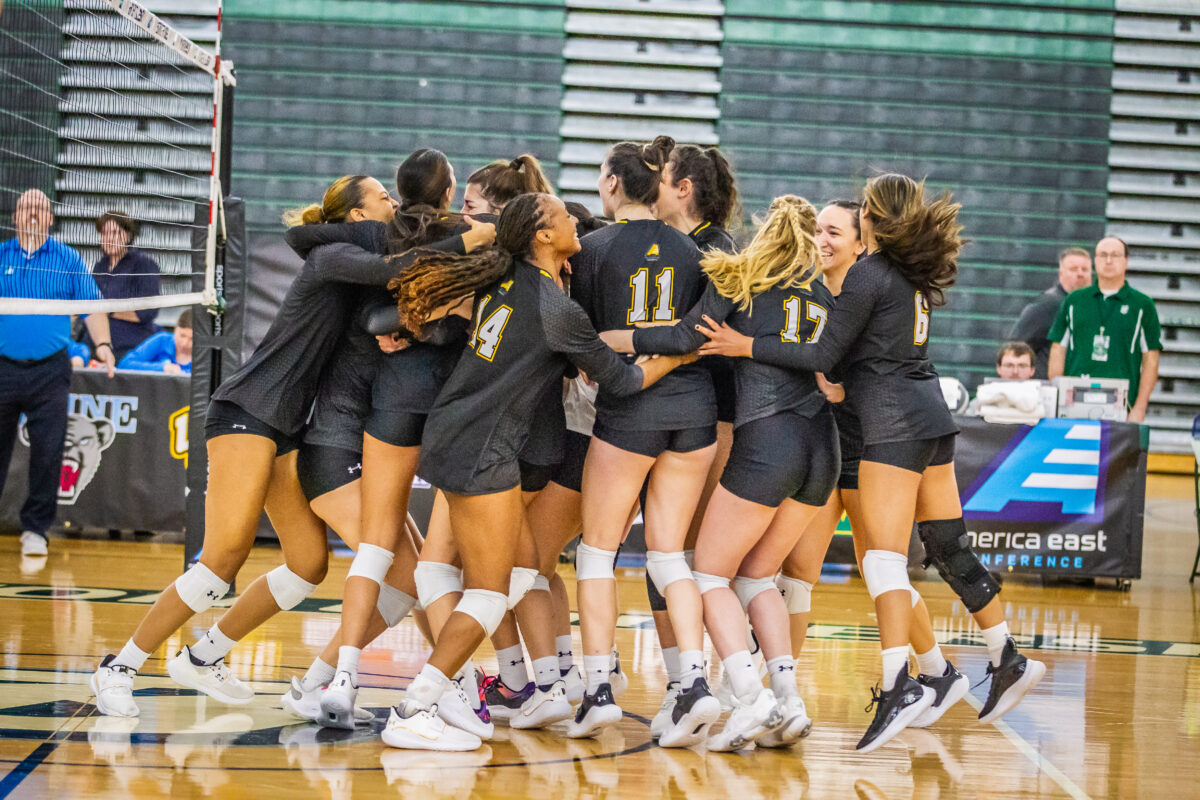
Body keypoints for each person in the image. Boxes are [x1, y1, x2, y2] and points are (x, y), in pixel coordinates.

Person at [699, 173, 1045, 752]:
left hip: (879, 433)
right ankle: (983, 659)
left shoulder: (863, 279)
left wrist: (750, 348)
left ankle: (893, 686)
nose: (822, 238)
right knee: (932, 550)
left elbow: (824, 354)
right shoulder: (899, 277)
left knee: (872, 565)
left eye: (835, 229)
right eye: (817, 231)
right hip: (906, 423)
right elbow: (850, 355)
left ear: (867, 231)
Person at [382, 192, 692, 751]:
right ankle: (416, 704)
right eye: (564, 217)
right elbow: (619, 383)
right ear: (543, 237)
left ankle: (519, 686)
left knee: (523, 573)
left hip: (462, 435)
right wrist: (681, 352)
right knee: (490, 592)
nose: (576, 221)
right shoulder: (555, 308)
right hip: (483, 448)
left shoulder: (506, 280)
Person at [87, 175, 406, 718]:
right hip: (248, 411)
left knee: (308, 564)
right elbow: (392, 265)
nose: (394, 203)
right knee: (222, 559)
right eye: (384, 197)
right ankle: (118, 667)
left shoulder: (346, 257)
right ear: (356, 216)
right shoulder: (332, 256)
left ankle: (205, 656)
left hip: (284, 426)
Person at [602, 195, 836, 751]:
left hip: (769, 439)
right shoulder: (824, 295)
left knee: (708, 576)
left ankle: (749, 697)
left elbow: (686, 337)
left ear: (763, 231)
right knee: (756, 577)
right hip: (823, 446)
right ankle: (789, 699)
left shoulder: (742, 273)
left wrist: (623, 340)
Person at [569, 136, 719, 745]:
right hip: (697, 411)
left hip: (631, 411)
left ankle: (599, 688)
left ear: (610, 184)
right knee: (667, 556)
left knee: (597, 552)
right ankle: (693, 684)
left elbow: (578, 343)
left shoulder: (592, 248)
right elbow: (697, 333)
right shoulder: (696, 248)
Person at [645, 143, 743, 731]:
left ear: (683, 188)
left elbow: (695, 337)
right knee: (670, 554)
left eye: (660, 178)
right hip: (669, 412)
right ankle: (687, 682)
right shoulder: (669, 245)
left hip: (719, 417)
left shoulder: (718, 252)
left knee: (694, 559)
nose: (650, 186)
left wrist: (626, 356)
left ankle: (718, 684)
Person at [0, 189, 116, 559]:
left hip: (50, 371)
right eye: (26, 209)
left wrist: (104, 346)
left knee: (49, 452)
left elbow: (92, 306)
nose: (33, 215)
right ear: (15, 216)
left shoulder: (66, 258)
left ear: (50, 218)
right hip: (3, 369)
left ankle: (35, 529)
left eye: (40, 210)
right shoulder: (1, 256)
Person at [1047, 236, 1161, 423]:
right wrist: (1058, 400)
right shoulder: (1074, 300)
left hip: (1123, 406)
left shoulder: (1142, 305)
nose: (1108, 260)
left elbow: (1151, 359)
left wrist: (1140, 407)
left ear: (1126, 261)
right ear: (1095, 261)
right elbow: (1058, 349)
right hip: (1075, 401)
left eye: (1115, 255)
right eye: (1103, 255)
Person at [1007, 247, 1091, 378]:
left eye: (1085, 269)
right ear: (1060, 273)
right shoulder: (1048, 304)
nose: (1080, 274)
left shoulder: (1090, 306)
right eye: (1074, 269)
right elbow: (1017, 345)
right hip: (1048, 388)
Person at [91, 210, 162, 360]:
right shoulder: (99, 267)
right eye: (104, 233)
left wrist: (106, 311)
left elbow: (146, 312)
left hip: (131, 346)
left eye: (116, 233)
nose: (110, 238)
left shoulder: (143, 264)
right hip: (98, 344)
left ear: (128, 235)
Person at [117, 309, 193, 373]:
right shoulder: (162, 340)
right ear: (175, 329)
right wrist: (162, 368)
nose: (185, 343)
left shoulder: (203, 353)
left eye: (192, 339)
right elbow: (124, 364)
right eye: (182, 335)